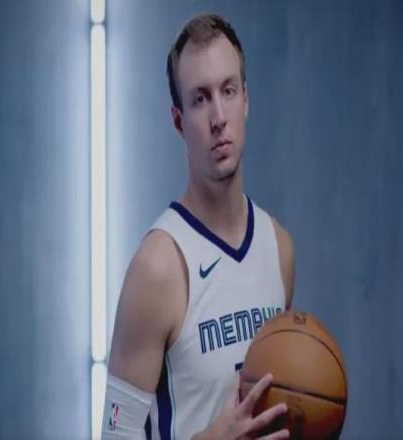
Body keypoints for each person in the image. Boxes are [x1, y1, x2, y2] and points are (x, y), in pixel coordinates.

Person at [102, 13, 295, 440]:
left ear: (246, 99)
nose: (218, 117)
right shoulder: (158, 268)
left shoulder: (279, 248)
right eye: (200, 99)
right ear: (178, 121)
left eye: (228, 90)